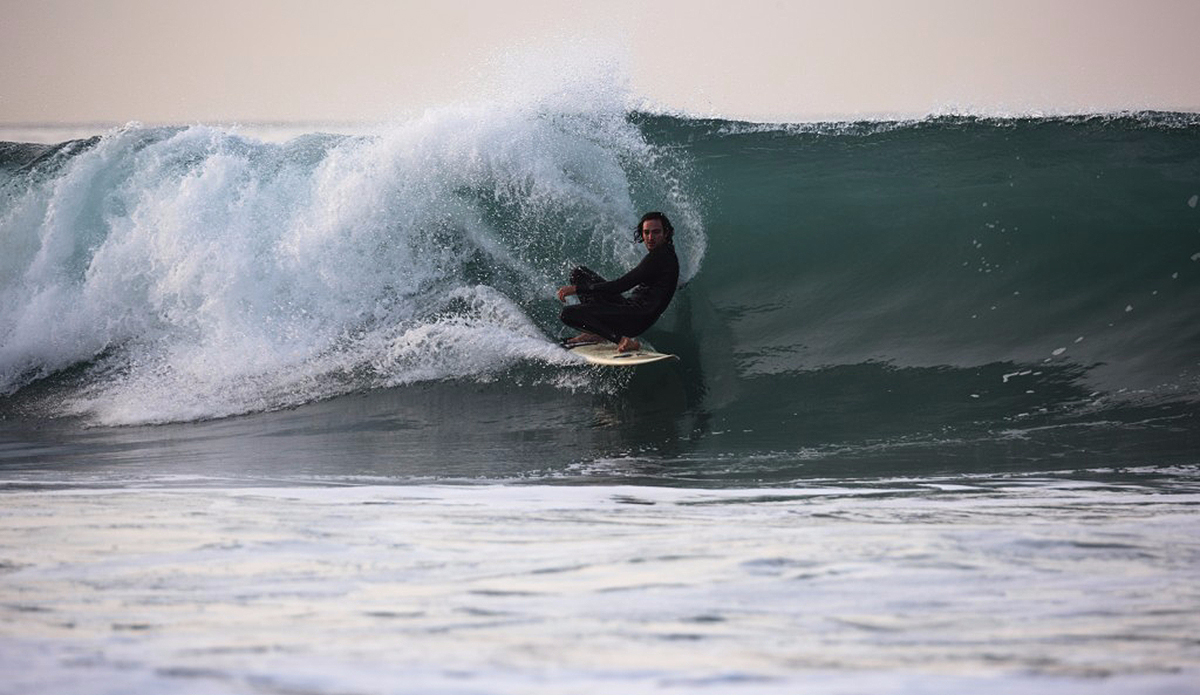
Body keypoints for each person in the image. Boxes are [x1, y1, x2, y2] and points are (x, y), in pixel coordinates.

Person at [557, 211, 680, 352]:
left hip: (636, 318)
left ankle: (622, 340)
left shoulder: (659, 257)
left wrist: (577, 289)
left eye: (656, 232)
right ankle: (598, 333)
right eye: (646, 233)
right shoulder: (666, 253)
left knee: (568, 314)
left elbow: (619, 286)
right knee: (579, 273)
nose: (650, 237)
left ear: (666, 233)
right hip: (629, 308)